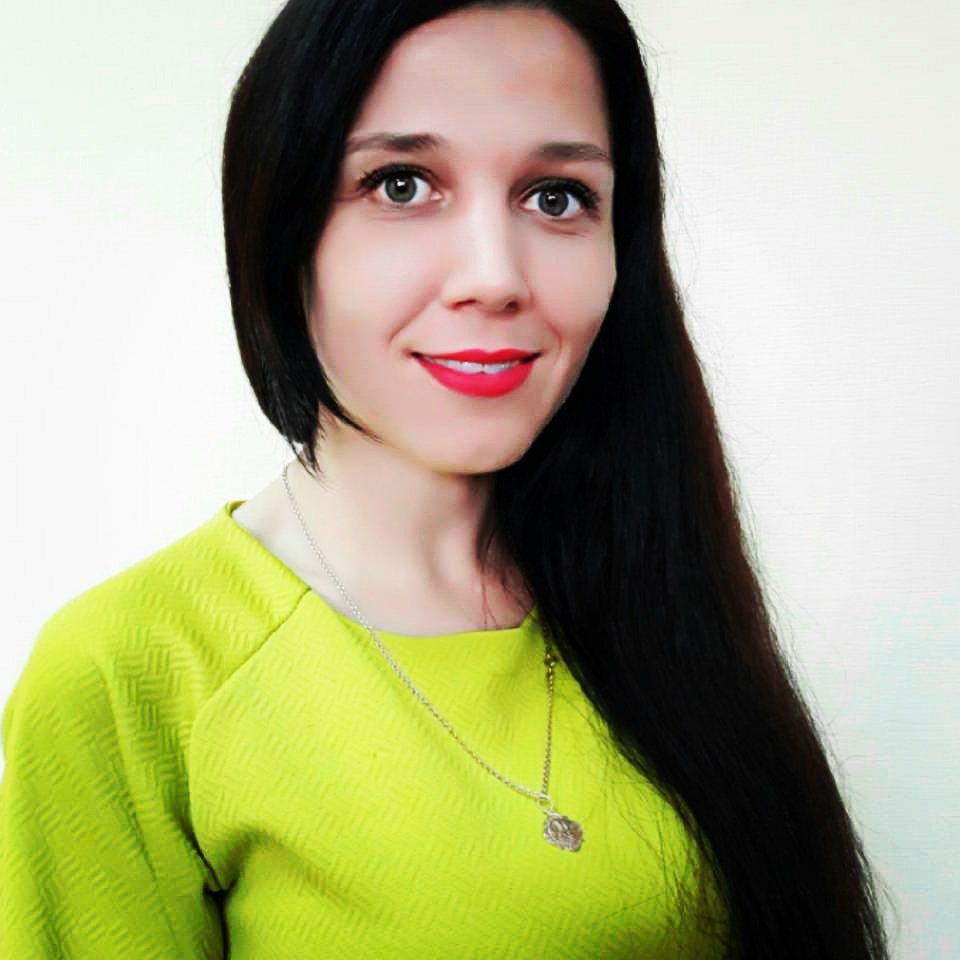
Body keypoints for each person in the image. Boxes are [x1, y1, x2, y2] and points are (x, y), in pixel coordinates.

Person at [0, 1, 891, 957]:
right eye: (401, 184)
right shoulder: (133, 671)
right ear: (279, 225)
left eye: (557, 197)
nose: (494, 276)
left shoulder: (655, 586)